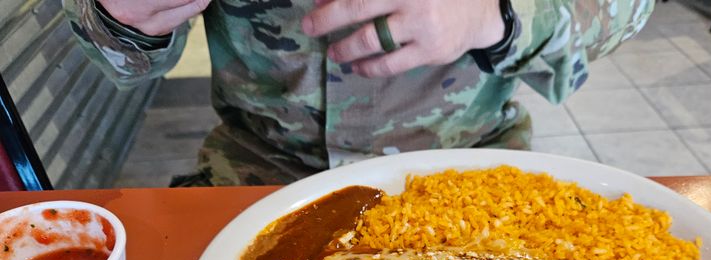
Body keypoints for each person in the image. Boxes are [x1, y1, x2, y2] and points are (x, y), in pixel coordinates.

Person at [64, 0, 654, 186]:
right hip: (253, 176)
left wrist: (496, 15)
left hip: (468, 175)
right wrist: (121, 17)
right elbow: (113, 50)